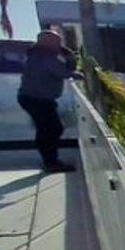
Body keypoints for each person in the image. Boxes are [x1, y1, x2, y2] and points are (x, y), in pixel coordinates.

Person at [17, 29, 76, 173]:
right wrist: (70, 58)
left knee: (46, 129)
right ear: (48, 43)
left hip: (31, 98)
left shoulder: (36, 55)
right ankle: (51, 162)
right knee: (52, 129)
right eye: (57, 42)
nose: (59, 45)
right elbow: (65, 73)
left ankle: (49, 161)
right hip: (38, 99)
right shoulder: (46, 57)